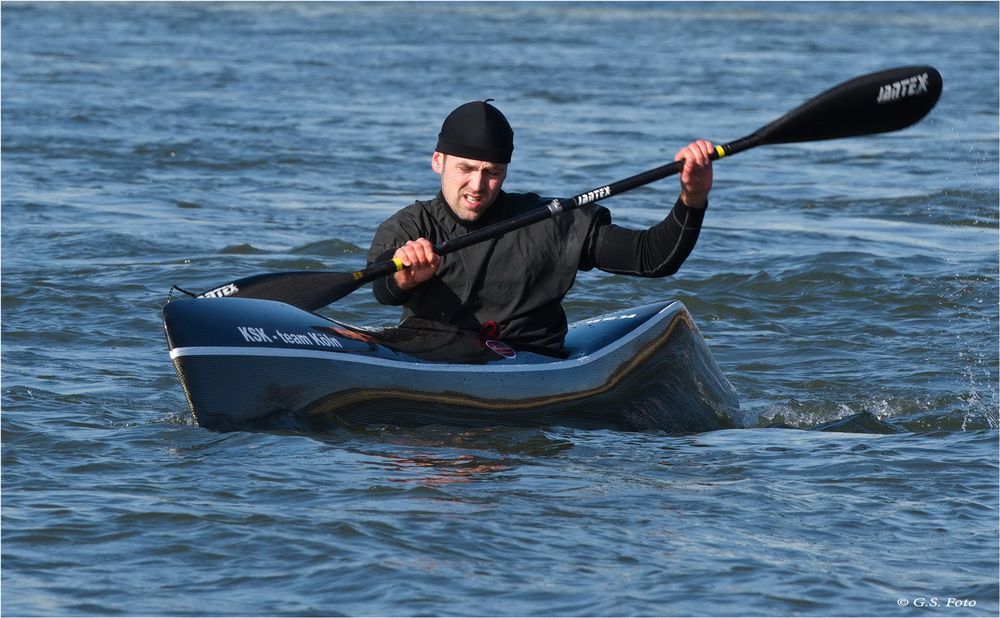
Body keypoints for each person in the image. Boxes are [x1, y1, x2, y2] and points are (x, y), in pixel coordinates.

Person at [366, 100, 714, 353]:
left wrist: (692, 197)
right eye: (466, 169)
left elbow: (653, 258)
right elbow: (381, 290)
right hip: (430, 354)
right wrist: (400, 278)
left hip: (529, 362)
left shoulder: (549, 221)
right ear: (438, 161)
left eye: (492, 173)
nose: (477, 185)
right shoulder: (408, 227)